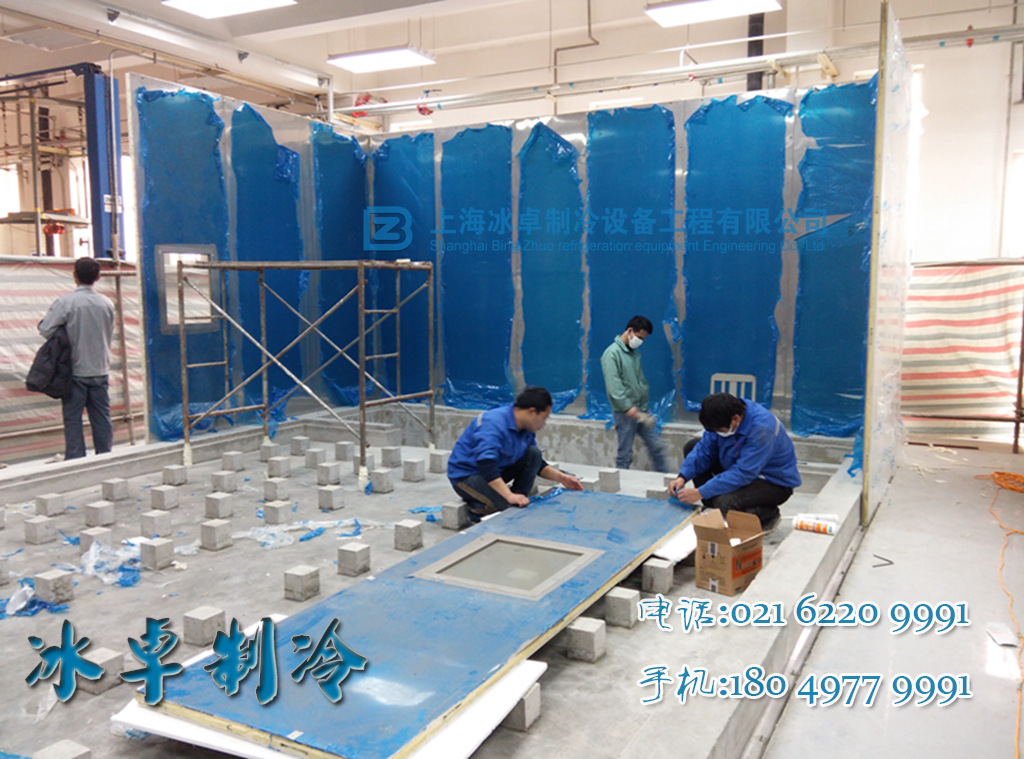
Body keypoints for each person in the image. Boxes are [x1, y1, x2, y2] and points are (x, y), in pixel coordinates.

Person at [668, 392, 801, 531]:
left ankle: (767, 515)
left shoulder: (762, 429)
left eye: (720, 430)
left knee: (725, 501)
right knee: (692, 447)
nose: (718, 433)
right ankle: (715, 507)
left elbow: (743, 473)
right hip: (739, 466)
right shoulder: (725, 416)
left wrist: (701, 492)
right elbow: (704, 449)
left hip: (771, 482)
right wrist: (683, 476)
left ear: (735, 419)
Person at [448, 386, 583, 520]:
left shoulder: (526, 428)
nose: (543, 424)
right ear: (531, 412)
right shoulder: (494, 423)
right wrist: (508, 496)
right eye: (544, 417)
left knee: (533, 453)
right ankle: (478, 509)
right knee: (507, 509)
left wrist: (562, 478)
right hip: (468, 476)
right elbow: (486, 464)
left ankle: (516, 498)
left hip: (496, 471)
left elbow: (538, 464)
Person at [38, 257, 115, 461]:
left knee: (73, 420)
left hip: (75, 372)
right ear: (98, 277)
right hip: (101, 369)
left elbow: (46, 330)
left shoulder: (66, 303)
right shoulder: (107, 304)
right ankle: (105, 459)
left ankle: (76, 461)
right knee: (102, 418)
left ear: (74, 276)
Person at [600, 315, 669, 472]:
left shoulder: (633, 353)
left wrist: (642, 407)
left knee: (657, 448)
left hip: (642, 409)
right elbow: (614, 386)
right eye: (639, 337)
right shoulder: (612, 354)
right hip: (625, 413)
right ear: (630, 331)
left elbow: (638, 380)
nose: (640, 341)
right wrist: (627, 407)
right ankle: (621, 483)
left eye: (643, 339)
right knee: (625, 455)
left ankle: (666, 480)